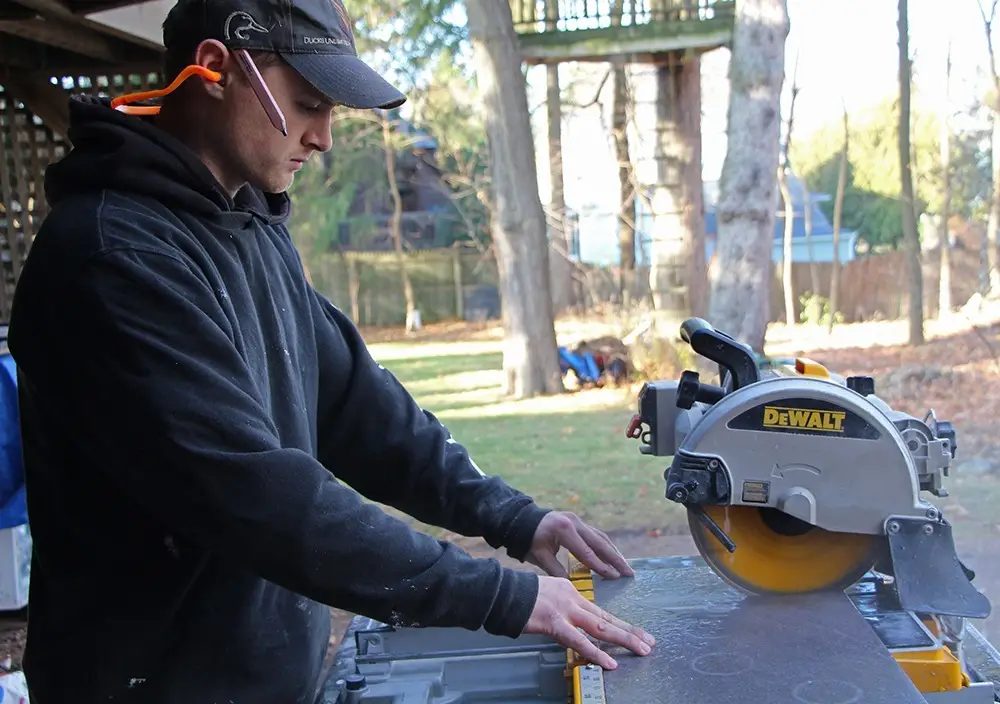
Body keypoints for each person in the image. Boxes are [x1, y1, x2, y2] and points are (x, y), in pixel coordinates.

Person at [6, 0, 655, 701]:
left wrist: (510, 516)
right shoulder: (112, 257)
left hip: (260, 674)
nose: (324, 138)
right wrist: (501, 597)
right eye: (309, 102)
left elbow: (352, 404)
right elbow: (258, 495)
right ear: (218, 69)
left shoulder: (246, 220)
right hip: (153, 683)